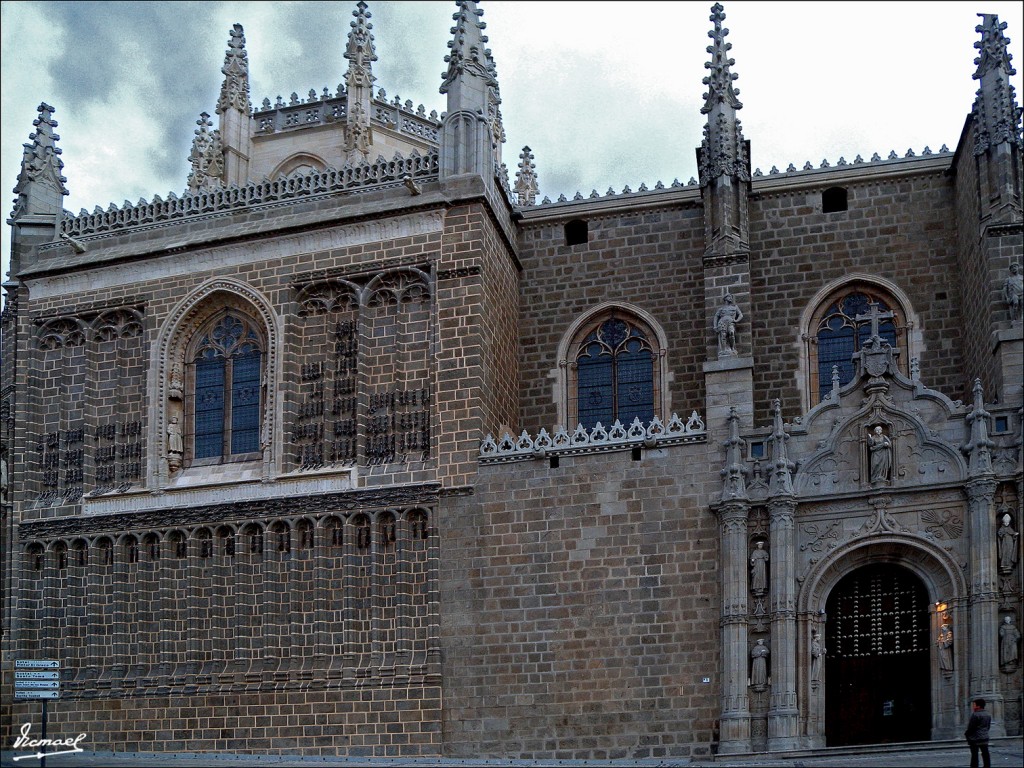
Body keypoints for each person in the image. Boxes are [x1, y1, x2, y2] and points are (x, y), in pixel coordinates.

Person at [964, 698, 991, 768]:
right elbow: (988, 726)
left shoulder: (975, 715)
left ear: (978, 706)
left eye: (974, 705)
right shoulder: (988, 714)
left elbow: (971, 727)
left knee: (974, 754)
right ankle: (987, 766)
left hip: (975, 738)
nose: (973, 707)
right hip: (984, 737)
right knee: (985, 753)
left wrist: (967, 734)